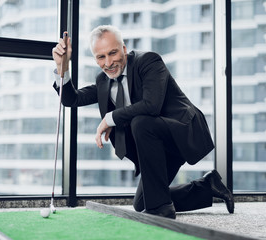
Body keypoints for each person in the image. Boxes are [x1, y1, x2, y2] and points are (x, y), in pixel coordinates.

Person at [52, 25, 234, 219]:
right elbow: (73, 99)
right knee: (142, 204)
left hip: (181, 131)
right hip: (156, 147)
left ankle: (162, 209)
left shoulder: (148, 61)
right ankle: (208, 186)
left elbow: (151, 105)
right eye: (101, 57)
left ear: (123, 49)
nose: (108, 62)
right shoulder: (103, 81)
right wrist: (63, 68)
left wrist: (109, 119)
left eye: (113, 53)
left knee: (140, 122)